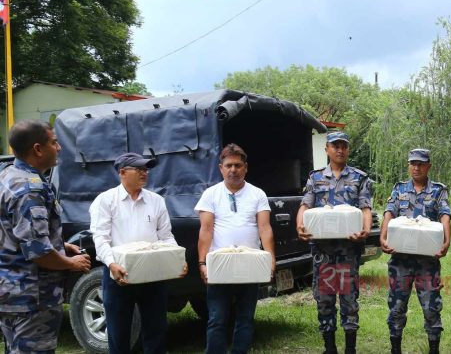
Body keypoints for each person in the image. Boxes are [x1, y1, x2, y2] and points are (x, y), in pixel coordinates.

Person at [0, 120, 91, 353]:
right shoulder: (30, 189)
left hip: (11, 291)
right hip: (32, 296)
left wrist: (61, 245)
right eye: (54, 142)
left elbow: (14, 233)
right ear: (38, 149)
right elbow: (38, 251)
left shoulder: (8, 176)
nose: (59, 147)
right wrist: (70, 263)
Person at [92, 153, 187, 354]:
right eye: (139, 169)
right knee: (119, 332)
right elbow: (100, 238)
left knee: (156, 329)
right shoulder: (106, 200)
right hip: (119, 275)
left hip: (153, 274)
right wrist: (111, 264)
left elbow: (166, 236)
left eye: (146, 169)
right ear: (122, 173)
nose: (145, 173)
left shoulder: (156, 201)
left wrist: (177, 260)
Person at [296, 131, 373, 354]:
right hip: (323, 251)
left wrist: (365, 230)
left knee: (349, 300)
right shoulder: (316, 177)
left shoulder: (359, 177)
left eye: (344, 146)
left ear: (348, 150)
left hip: (349, 249)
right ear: (327, 149)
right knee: (324, 299)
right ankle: (329, 348)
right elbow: (305, 205)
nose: (340, 149)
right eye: (335, 145)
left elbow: (365, 208)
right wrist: (300, 225)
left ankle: (350, 348)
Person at [196, 143, 275, 354]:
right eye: (229, 165)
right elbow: (205, 230)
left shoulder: (257, 194)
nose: (233, 170)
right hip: (220, 265)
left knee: (245, 318)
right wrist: (203, 263)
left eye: (238, 165)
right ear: (221, 167)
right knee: (217, 319)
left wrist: (270, 260)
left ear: (245, 167)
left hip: (249, 265)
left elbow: (265, 228)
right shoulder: (210, 195)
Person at [380, 149, 451, 354]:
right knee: (396, 307)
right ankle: (395, 349)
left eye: (420, 164)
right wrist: (383, 237)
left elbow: (445, 215)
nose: (416, 167)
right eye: (413, 163)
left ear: (428, 166)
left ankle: (434, 349)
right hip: (400, 260)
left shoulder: (438, 190)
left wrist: (446, 242)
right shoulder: (399, 188)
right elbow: (389, 212)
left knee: (431, 308)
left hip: (427, 261)